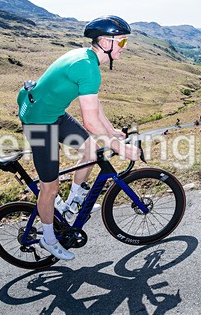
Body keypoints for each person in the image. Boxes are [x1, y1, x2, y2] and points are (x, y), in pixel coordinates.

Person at [18, 15, 140, 261]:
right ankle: (48, 238)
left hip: (53, 113)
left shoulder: (88, 60)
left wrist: (112, 130)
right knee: (49, 188)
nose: (124, 49)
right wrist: (120, 147)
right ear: (105, 41)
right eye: (122, 43)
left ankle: (73, 201)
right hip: (39, 121)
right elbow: (90, 122)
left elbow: (95, 108)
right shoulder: (87, 67)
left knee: (91, 150)